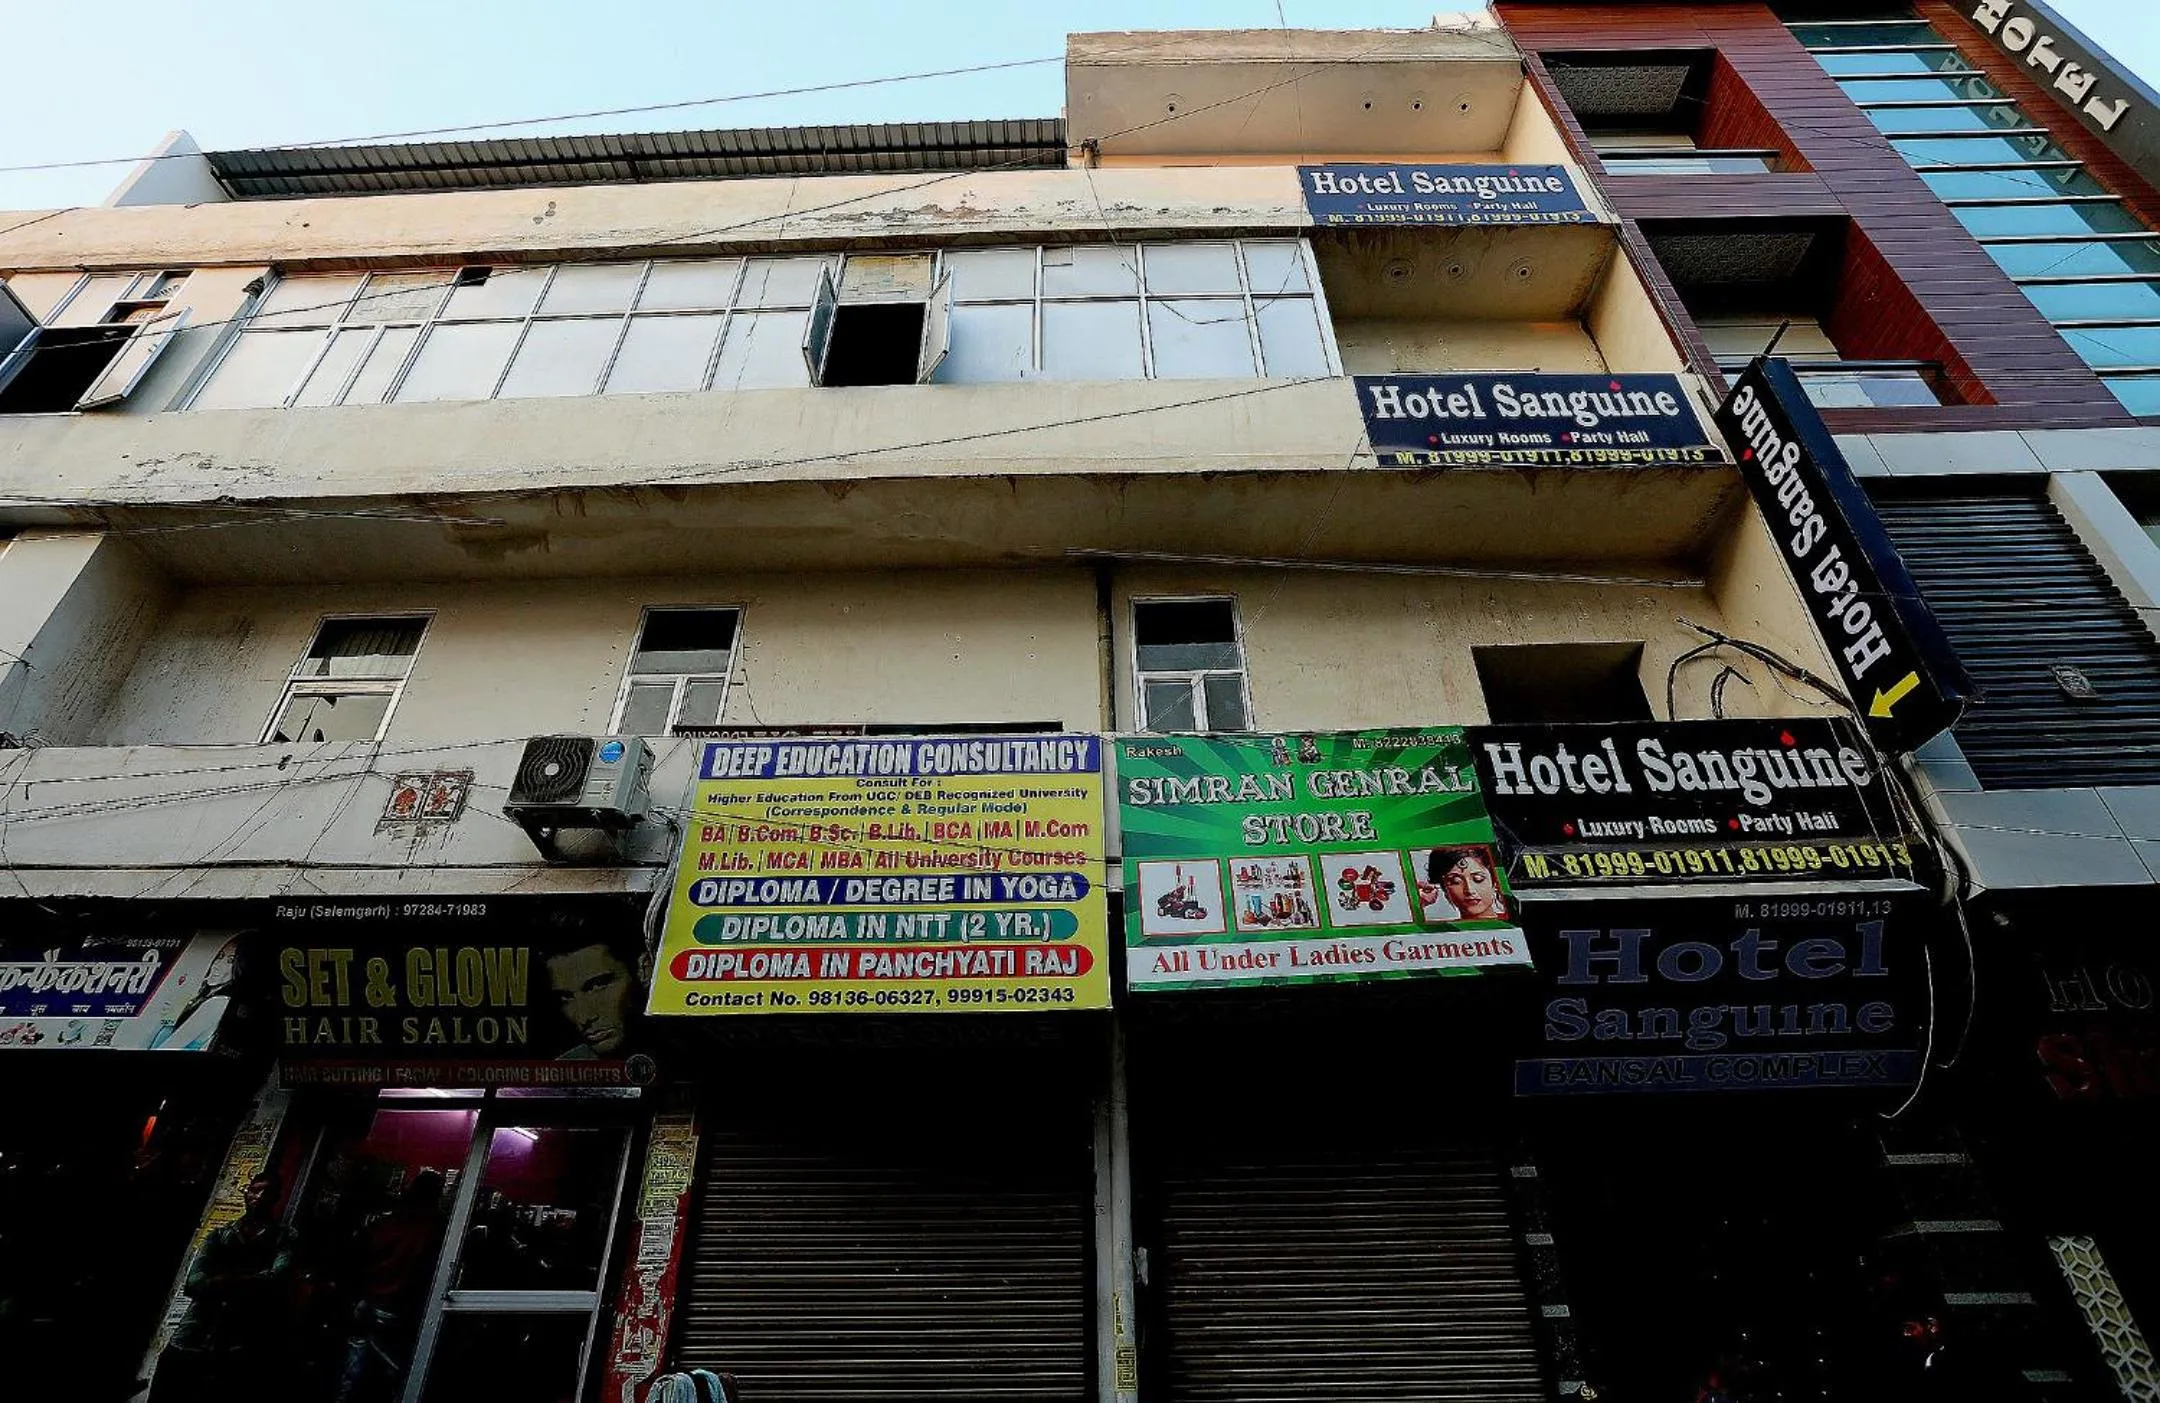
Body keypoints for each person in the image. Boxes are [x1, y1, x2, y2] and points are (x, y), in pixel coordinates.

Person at [154, 1171, 298, 1403]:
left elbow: (277, 1280)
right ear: (246, 1192)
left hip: (236, 1342)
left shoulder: (283, 1237)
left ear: (276, 1197)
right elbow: (193, 1283)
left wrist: (226, 1281)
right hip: (193, 1336)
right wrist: (249, 1281)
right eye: (254, 1190)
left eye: (265, 1192)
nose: (258, 1197)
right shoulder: (219, 1235)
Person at [544, 933, 650, 1059]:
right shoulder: (560, 1073)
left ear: (644, 971)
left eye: (598, 985)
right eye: (565, 998)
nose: (584, 1018)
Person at [1418, 846, 1508, 922]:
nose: (1469, 890)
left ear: (1495, 883)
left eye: (1478, 879)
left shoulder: (1514, 924)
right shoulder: (1444, 933)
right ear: (1445, 889)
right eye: (1455, 881)